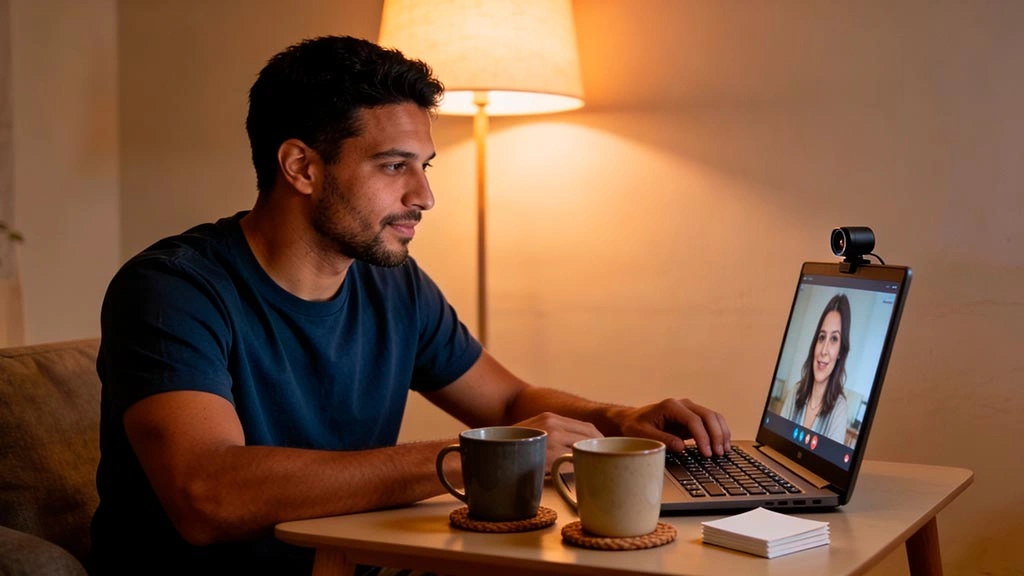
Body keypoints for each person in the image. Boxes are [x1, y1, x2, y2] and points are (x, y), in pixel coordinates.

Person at [88, 35, 730, 575]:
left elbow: (507, 404)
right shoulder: (172, 291)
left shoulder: (391, 283)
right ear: (301, 168)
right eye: (395, 166)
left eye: (425, 166)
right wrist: (481, 456)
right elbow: (208, 495)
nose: (424, 196)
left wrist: (620, 418)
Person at [781, 293, 851, 444]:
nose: (823, 350)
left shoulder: (839, 409)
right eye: (822, 337)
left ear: (840, 352)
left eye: (834, 339)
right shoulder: (795, 393)